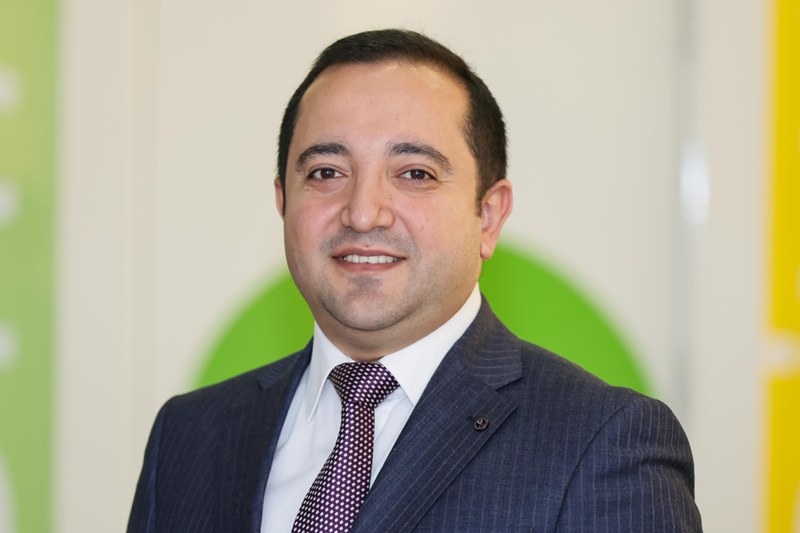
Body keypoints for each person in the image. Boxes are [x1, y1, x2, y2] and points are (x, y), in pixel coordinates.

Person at [128, 29, 702, 532]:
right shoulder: (188, 435)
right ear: (283, 200)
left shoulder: (602, 443)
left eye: (414, 174)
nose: (363, 213)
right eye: (326, 172)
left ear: (488, 216)